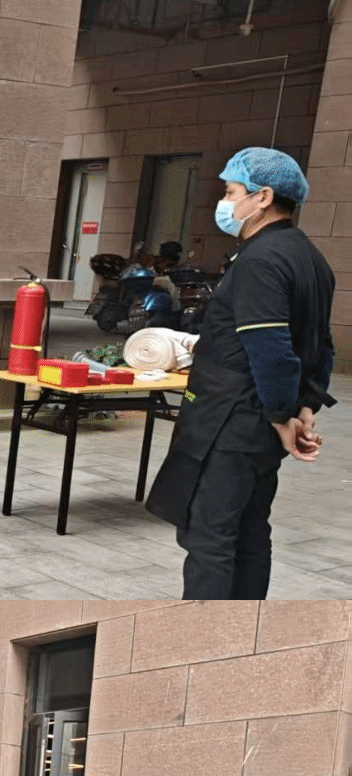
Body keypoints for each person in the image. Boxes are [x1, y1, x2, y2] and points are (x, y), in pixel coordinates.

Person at [146, 147, 335, 599]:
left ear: (262, 197)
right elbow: (319, 345)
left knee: (210, 539)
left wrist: (281, 415)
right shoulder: (310, 258)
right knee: (249, 533)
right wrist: (304, 407)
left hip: (232, 423)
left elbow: (271, 349)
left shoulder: (261, 260)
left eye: (231, 192)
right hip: (256, 423)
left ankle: (207, 630)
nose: (225, 202)